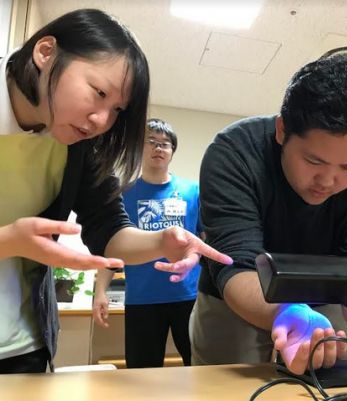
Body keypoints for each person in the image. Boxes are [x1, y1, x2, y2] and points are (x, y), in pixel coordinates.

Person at [0, 9, 230, 374]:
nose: (102, 121)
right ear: (45, 52)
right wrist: (8, 241)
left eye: (117, 109)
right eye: (99, 92)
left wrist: (161, 241)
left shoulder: (77, 143)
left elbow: (109, 229)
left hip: (22, 344)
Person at [176, 53, 347, 376]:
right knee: (224, 387)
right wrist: (284, 310)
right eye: (314, 161)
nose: (328, 180)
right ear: (282, 130)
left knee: (335, 379)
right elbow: (235, 265)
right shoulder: (234, 153)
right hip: (237, 293)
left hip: (331, 295)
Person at [93, 118, 204, 368]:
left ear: (172, 152)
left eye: (165, 143)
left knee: (200, 366)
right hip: (142, 298)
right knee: (141, 372)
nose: (158, 148)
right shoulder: (123, 194)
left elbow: (203, 242)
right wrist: (100, 292)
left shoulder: (192, 192)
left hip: (189, 296)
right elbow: (112, 248)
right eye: (151, 141)